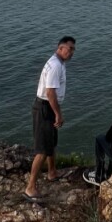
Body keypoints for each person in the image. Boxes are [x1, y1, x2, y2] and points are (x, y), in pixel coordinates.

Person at [24, 35, 75, 202]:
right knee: (42, 149)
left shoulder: (58, 63)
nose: (72, 52)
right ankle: (30, 187)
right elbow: (50, 92)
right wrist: (58, 113)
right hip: (45, 108)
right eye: (69, 49)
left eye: (73, 49)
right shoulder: (55, 66)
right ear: (60, 48)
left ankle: (52, 172)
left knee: (51, 142)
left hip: (47, 107)